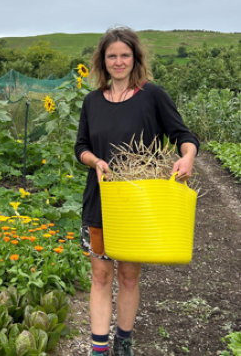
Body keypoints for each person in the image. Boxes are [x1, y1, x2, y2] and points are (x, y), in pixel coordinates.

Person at [74, 26, 199, 356]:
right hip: (100, 202)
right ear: (103, 61)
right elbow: (81, 146)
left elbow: (183, 135)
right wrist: (94, 161)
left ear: (135, 58)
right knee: (100, 277)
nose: (118, 62)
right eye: (112, 55)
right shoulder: (91, 102)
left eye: (124, 55)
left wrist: (187, 157)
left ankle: (124, 340)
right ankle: (98, 349)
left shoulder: (152, 96)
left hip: (138, 206)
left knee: (128, 276)